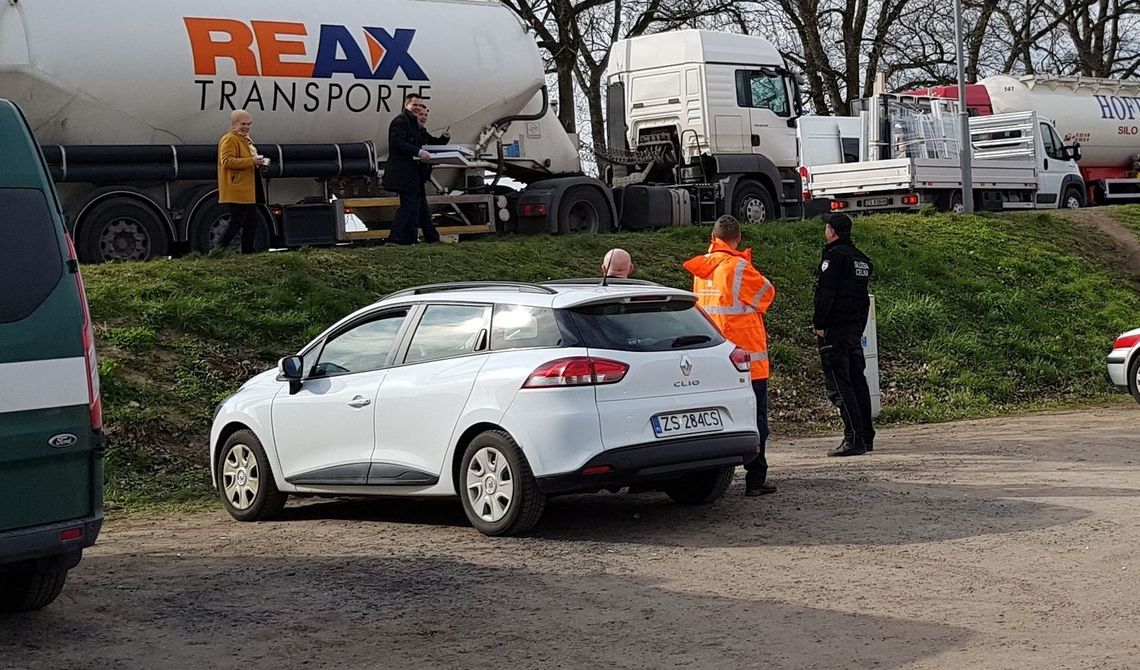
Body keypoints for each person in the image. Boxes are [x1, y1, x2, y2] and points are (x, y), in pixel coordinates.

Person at [684, 215, 777, 496]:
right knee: (755, 420)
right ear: (738, 238)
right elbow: (767, 295)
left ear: (713, 237)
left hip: (712, 357)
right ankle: (756, 479)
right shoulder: (738, 268)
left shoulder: (702, 270)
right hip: (747, 360)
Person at [813, 212, 875, 457]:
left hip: (835, 329)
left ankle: (853, 438)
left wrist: (820, 323)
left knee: (840, 385)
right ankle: (866, 436)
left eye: (827, 226)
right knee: (857, 381)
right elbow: (861, 300)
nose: (825, 230)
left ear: (832, 231)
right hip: (853, 328)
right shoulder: (861, 260)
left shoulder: (834, 258)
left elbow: (826, 294)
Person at [383, 94, 449, 245]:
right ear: (407, 104)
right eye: (416, 106)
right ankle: (395, 239)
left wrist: (444, 138)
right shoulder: (400, 121)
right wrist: (419, 152)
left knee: (418, 208)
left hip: (415, 175)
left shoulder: (416, 126)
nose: (419, 109)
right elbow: (398, 143)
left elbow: (431, 143)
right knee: (409, 207)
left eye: (421, 106)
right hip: (404, 173)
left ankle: (417, 239)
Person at [215, 109, 269, 254]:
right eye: (243, 124)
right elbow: (226, 161)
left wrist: (259, 164)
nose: (246, 126)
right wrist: (251, 161)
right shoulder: (229, 139)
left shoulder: (245, 139)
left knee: (251, 221)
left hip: (247, 188)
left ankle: (247, 253)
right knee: (237, 221)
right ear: (234, 124)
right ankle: (217, 251)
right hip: (237, 187)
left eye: (249, 124)